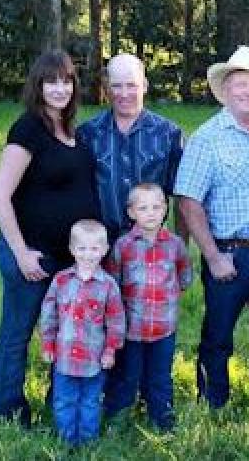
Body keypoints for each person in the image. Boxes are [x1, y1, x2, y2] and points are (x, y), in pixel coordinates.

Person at [174, 45, 249, 408]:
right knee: (218, 335)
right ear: (225, 89)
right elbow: (188, 200)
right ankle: (213, 403)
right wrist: (211, 255)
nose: (247, 92)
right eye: (239, 84)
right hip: (228, 253)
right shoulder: (207, 138)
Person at [0, 49, 99, 426]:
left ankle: (60, 406)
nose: (59, 88)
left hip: (69, 260)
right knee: (18, 334)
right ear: (38, 85)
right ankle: (7, 411)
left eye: (66, 80)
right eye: (51, 81)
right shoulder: (28, 129)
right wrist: (21, 253)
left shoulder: (73, 132)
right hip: (32, 256)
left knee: (67, 333)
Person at [103, 183, 192, 430]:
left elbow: (184, 275)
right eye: (143, 208)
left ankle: (162, 420)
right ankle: (116, 419)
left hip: (164, 328)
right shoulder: (123, 246)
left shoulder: (175, 245)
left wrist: (170, 296)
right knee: (127, 375)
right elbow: (113, 283)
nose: (151, 213)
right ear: (131, 212)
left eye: (156, 207)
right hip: (132, 329)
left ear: (165, 208)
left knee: (160, 377)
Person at [77, 53, 185, 245]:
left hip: (151, 246)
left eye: (131, 85)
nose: (124, 93)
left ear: (144, 86)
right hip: (99, 248)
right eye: (117, 86)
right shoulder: (88, 134)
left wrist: (178, 247)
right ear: (107, 88)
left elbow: (181, 198)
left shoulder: (168, 134)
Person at [39, 219, 126, 446]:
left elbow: (116, 321)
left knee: (90, 402)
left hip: (94, 360)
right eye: (82, 248)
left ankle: (88, 443)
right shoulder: (61, 281)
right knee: (64, 400)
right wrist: (47, 345)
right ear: (72, 250)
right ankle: (67, 441)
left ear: (105, 250)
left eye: (95, 248)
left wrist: (110, 351)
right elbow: (49, 315)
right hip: (64, 358)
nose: (88, 254)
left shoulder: (108, 285)